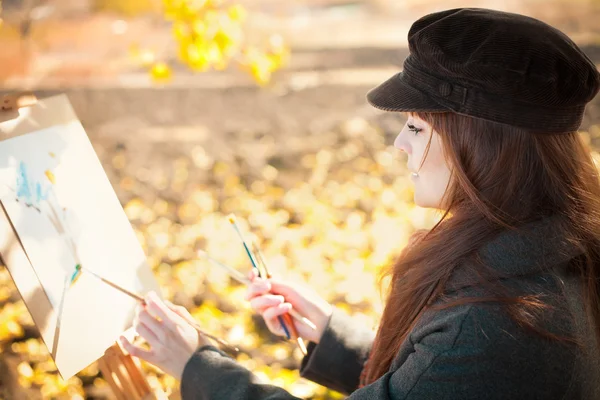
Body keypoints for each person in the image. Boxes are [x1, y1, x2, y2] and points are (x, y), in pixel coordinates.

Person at [119, 7, 600, 399]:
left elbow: (462, 362)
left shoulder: (501, 320)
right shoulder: (550, 253)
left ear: (483, 143)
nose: (399, 145)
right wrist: (330, 334)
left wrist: (196, 366)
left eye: (416, 127)